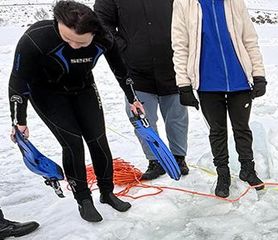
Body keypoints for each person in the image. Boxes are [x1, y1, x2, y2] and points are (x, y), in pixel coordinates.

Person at [8, 0, 143, 223]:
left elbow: (120, 69)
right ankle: (83, 199)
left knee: (98, 140)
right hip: (47, 94)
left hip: (83, 89)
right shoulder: (36, 38)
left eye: (80, 42)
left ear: (93, 33)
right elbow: (18, 81)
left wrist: (133, 98)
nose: (72, 45)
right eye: (67, 39)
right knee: (72, 144)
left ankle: (107, 193)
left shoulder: (104, 38)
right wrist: (18, 120)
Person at [171, 0, 266, 198]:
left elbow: (249, 39)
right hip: (207, 81)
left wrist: (258, 74)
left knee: (242, 128)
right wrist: (184, 84)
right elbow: (180, 46)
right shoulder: (184, 4)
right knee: (217, 131)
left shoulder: (234, 2)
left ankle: (247, 168)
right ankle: (223, 174)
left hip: (239, 78)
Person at [95, 0, 190, 181]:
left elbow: (189, 14)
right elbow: (101, 22)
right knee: (141, 118)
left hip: (173, 65)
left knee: (177, 116)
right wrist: (122, 46)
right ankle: (155, 160)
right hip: (136, 70)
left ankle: (178, 157)